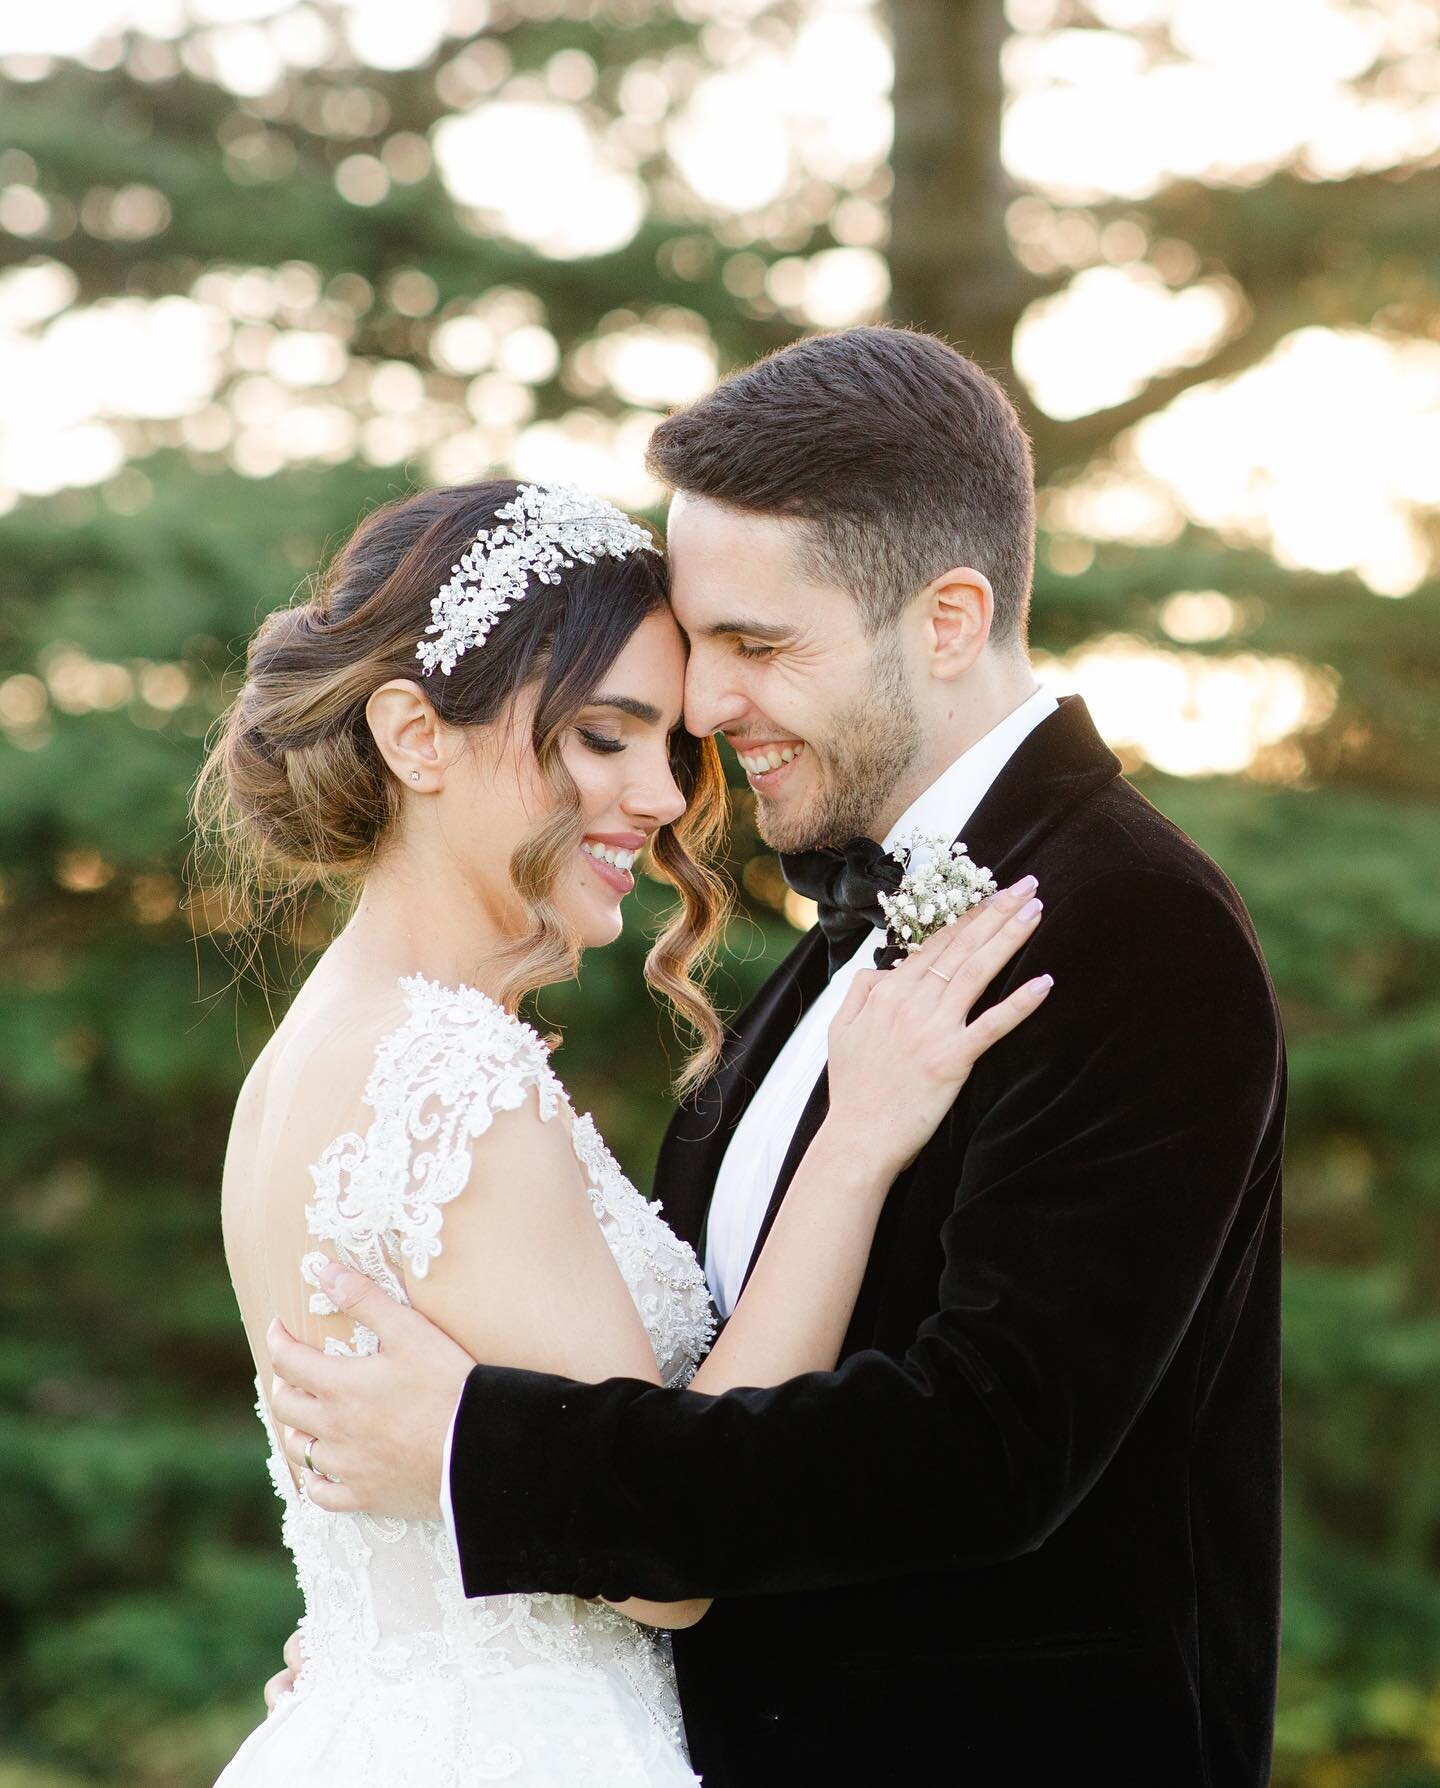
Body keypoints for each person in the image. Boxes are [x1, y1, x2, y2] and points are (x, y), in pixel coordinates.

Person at [267, 328, 1287, 1787]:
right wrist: (422, 1662)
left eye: (758, 645)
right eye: (705, 643)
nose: (703, 707)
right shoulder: (834, 940)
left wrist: (483, 1461)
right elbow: (713, 1375)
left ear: (945, 620)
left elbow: (988, 1448)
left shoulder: (1134, 924)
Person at [203, 470, 1051, 1785]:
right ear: (417, 739)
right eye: (605, 737)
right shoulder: (447, 1075)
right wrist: (860, 1139)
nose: (663, 795)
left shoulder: (330, 1047)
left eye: (668, 746)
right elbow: (670, 1575)